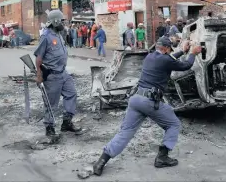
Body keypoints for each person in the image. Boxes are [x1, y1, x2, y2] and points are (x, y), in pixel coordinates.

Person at [92, 37, 203, 176]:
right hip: (149, 101)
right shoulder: (166, 60)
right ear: (167, 49)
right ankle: (162, 157)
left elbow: (169, 59)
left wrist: (182, 50)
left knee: (125, 133)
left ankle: (101, 161)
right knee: (173, 124)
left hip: (136, 100)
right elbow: (186, 65)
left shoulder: (150, 57)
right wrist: (193, 53)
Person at [34, 10, 83, 137]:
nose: (63, 23)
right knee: (51, 103)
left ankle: (66, 123)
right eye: (61, 20)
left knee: (71, 93)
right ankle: (49, 128)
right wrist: (39, 75)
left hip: (63, 73)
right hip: (52, 75)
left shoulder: (59, 34)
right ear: (55, 21)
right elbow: (39, 58)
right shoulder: (46, 36)